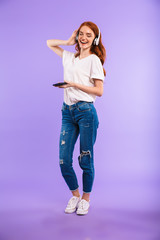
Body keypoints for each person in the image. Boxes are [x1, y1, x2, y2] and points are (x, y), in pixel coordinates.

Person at [47, 21, 106, 215]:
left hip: (86, 111)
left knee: (85, 158)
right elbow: (49, 43)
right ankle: (75, 195)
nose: (84, 38)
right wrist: (67, 40)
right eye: (81, 34)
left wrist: (74, 84)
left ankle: (86, 199)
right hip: (67, 112)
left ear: (95, 38)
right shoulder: (69, 58)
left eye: (89, 35)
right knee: (64, 160)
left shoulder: (94, 60)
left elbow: (99, 91)